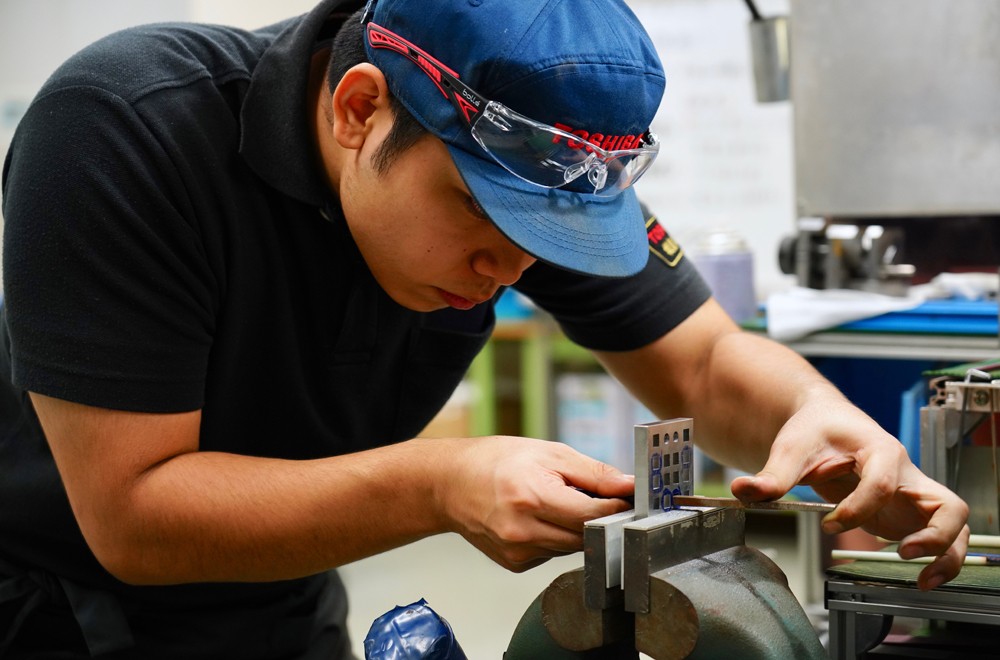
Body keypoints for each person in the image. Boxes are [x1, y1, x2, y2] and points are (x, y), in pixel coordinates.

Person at [0, 0, 969, 657]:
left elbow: (706, 363)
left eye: (545, 233)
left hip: (283, 605)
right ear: (359, 110)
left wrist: (821, 415)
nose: (511, 268)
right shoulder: (125, 129)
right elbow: (133, 516)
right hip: (55, 614)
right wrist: (441, 481)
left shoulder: (523, 155)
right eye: (481, 216)